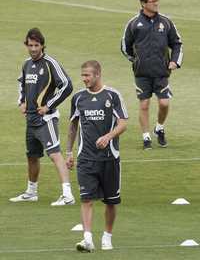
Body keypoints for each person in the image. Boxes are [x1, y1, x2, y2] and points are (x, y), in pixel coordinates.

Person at [66, 60, 128, 252]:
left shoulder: (112, 95)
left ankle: (107, 237)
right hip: (86, 158)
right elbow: (73, 125)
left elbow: (123, 123)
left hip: (110, 158)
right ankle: (87, 239)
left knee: (111, 202)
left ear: (98, 74)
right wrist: (69, 152)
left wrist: (109, 137)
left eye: (87, 75)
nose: (84, 79)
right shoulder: (78, 98)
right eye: (82, 75)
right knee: (86, 199)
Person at [9, 28, 75, 206]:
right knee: (32, 156)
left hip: (46, 120)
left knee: (55, 154)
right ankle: (31, 192)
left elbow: (67, 85)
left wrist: (48, 106)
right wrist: (21, 102)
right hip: (30, 120)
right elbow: (21, 84)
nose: (33, 49)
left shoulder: (50, 63)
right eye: (30, 45)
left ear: (42, 45)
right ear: (26, 45)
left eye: (36, 45)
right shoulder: (26, 64)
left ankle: (68, 195)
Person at [121, 0, 183, 149]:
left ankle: (159, 128)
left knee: (164, 103)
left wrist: (175, 61)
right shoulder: (134, 24)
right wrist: (136, 61)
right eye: (153, 1)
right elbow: (124, 46)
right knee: (144, 105)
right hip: (142, 74)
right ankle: (146, 137)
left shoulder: (166, 22)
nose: (156, 4)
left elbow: (177, 44)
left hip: (162, 72)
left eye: (157, 1)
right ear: (143, 3)